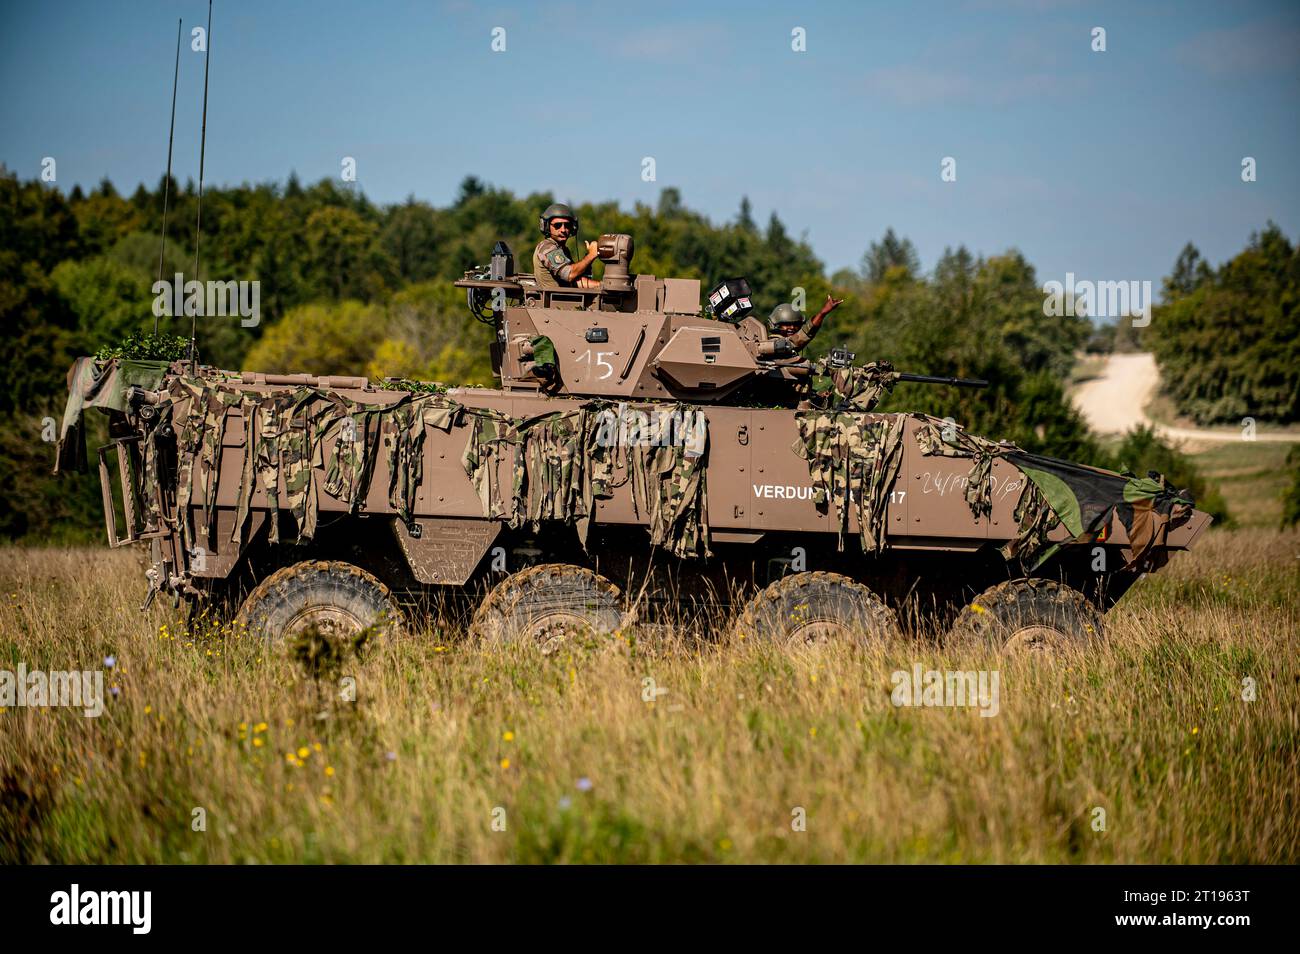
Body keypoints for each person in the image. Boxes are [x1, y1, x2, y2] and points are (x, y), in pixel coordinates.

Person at [533, 203, 599, 290]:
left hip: (564, 301)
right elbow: (569, 274)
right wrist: (591, 256)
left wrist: (601, 285)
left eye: (567, 225)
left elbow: (577, 280)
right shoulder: (547, 247)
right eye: (557, 225)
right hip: (555, 302)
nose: (563, 230)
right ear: (546, 226)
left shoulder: (562, 250)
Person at [759, 294, 844, 357]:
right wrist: (822, 313)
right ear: (775, 324)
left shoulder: (790, 349)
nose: (792, 328)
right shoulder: (772, 346)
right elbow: (798, 339)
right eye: (787, 324)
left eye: (796, 324)